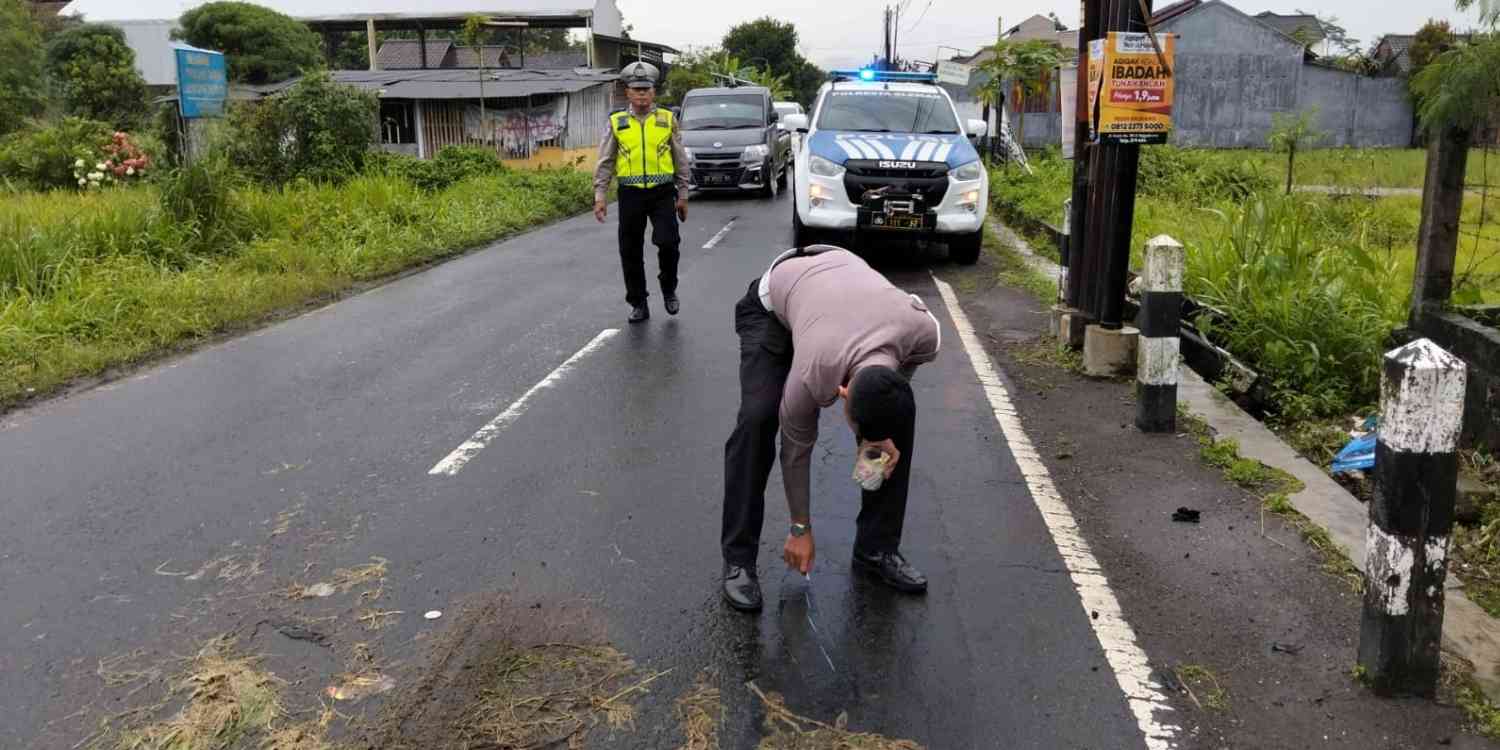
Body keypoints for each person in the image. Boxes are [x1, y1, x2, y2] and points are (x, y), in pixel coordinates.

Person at [720, 245, 942, 612]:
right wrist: (800, 529)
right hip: (773, 306)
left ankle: (876, 549)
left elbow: (896, 380)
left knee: (898, 411)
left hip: (837, 304)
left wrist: (877, 441)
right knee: (758, 418)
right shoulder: (815, 371)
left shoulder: (924, 332)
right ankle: (739, 560)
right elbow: (795, 452)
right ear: (841, 392)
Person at [592, 61, 691, 324]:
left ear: (653, 92)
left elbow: (680, 159)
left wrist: (683, 195)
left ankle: (668, 288)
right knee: (630, 250)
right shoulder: (617, 122)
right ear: (628, 92)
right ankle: (638, 303)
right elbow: (605, 161)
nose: (642, 94)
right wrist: (600, 196)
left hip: (662, 193)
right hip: (630, 194)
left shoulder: (667, 119)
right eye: (637, 89)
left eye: (646, 89)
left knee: (668, 242)